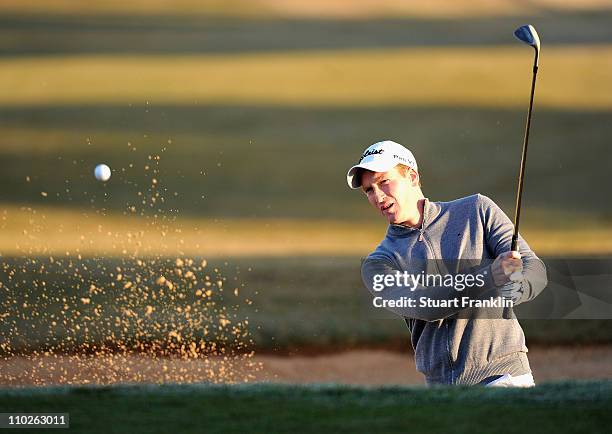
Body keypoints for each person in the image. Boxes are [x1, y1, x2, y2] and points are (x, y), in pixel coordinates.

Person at [347, 140, 547, 387]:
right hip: (442, 390)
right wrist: (489, 278)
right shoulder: (379, 263)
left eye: (383, 182)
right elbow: (426, 305)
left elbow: (534, 270)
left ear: (412, 176)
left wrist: (518, 287)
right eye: (368, 190)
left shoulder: (477, 210)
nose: (377, 196)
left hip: (504, 377)